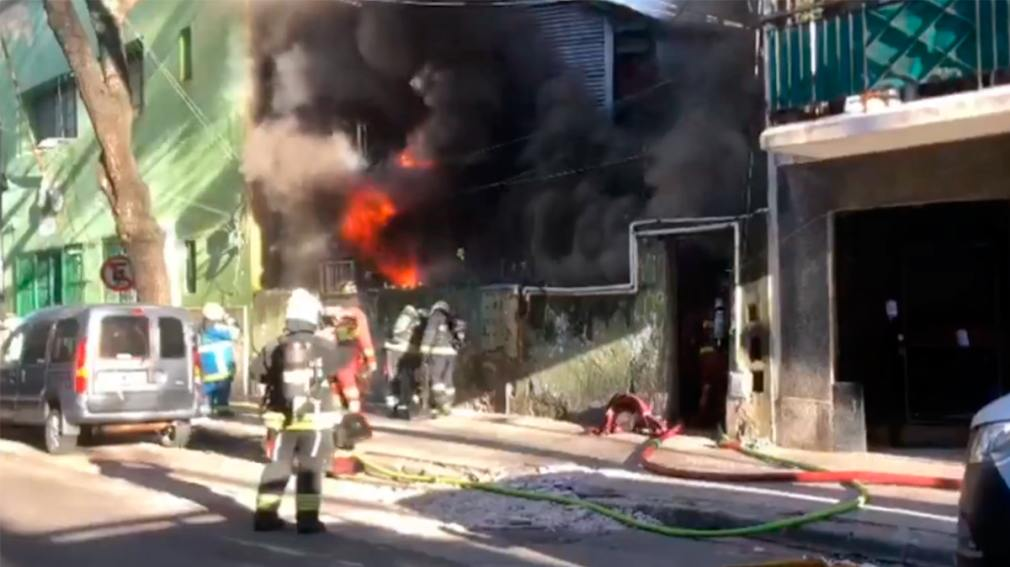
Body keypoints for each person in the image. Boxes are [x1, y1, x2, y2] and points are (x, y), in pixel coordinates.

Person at [252, 288, 342, 534]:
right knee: (310, 469)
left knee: (277, 466)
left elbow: (255, 373)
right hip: (314, 420)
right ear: (314, 316)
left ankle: (266, 516)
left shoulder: (274, 346)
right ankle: (308, 521)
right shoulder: (324, 346)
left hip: (282, 420)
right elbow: (337, 369)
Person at [418, 301, 465, 415]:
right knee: (448, 380)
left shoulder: (435, 317)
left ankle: (442, 404)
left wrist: (423, 352)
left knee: (436, 379)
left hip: (438, 353)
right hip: (452, 354)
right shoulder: (450, 319)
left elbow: (429, 334)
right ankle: (448, 403)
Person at [198, 303, 240, 417]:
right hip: (220, 365)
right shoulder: (216, 327)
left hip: (208, 366)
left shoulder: (203, 327)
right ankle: (221, 410)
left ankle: (207, 409)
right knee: (222, 389)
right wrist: (229, 319)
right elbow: (235, 333)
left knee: (209, 389)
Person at [383, 305, 425, 415]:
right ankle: (406, 404)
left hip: (393, 350)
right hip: (408, 351)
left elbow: (389, 333)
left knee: (392, 376)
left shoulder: (398, 318)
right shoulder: (416, 321)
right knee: (407, 377)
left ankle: (392, 405)